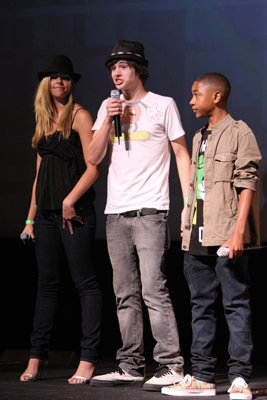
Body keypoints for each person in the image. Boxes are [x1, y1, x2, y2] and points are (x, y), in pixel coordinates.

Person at [87, 40, 191, 391]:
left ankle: (171, 364)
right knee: (124, 292)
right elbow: (93, 157)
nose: (116, 72)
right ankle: (130, 364)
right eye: (112, 67)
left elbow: (180, 153)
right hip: (116, 213)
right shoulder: (107, 107)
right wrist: (108, 120)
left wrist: (188, 202)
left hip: (151, 211)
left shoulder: (163, 105)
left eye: (123, 66)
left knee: (153, 289)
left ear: (138, 69)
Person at [162, 73, 261, 399]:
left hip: (225, 235)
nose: (191, 101)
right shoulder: (198, 136)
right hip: (196, 235)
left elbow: (248, 185)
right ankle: (203, 377)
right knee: (200, 306)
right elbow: (196, 186)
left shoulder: (239, 132)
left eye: (195, 94)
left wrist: (238, 233)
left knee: (235, 304)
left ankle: (239, 378)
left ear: (216, 96)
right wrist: (185, 215)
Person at [19, 55, 102, 384]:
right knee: (46, 286)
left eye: (65, 77)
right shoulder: (43, 120)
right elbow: (39, 174)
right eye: (54, 77)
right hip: (46, 215)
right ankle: (36, 357)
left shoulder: (80, 116)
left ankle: (88, 359)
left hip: (75, 215)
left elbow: (94, 167)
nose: (60, 82)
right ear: (46, 83)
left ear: (71, 82)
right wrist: (29, 220)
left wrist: (70, 200)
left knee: (85, 284)